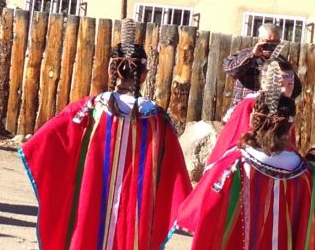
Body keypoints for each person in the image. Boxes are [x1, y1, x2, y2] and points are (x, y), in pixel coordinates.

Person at [20, 19, 192, 250]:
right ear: (143, 75)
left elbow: (43, 142)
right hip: (136, 217)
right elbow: (174, 175)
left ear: (112, 70)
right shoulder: (157, 121)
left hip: (91, 208)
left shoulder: (89, 111)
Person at [172, 61, 315, 250]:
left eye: (290, 84)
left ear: (255, 119)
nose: (286, 88)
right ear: (290, 126)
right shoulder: (307, 174)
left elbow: (210, 213)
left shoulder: (233, 166)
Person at [204, 58, 299, 168]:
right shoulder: (249, 105)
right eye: (279, 84)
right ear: (264, 82)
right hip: (248, 164)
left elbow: (288, 142)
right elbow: (236, 138)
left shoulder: (287, 109)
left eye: (290, 84)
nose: (284, 90)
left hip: (279, 164)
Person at [223, 23, 292, 103]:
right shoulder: (245, 55)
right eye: (267, 42)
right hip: (244, 108)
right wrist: (252, 55)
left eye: (275, 42)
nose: (271, 46)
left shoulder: (282, 62)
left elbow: (294, 86)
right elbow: (230, 70)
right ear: (259, 41)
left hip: (268, 110)